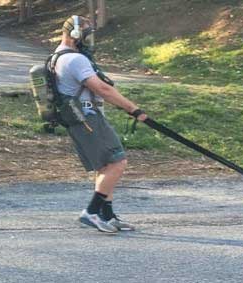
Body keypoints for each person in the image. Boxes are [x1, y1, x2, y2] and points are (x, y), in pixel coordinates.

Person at [54, 15, 147, 233]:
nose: (89, 41)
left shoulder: (59, 57)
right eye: (87, 36)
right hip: (87, 117)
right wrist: (135, 110)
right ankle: (92, 211)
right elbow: (102, 89)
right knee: (117, 161)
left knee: (105, 166)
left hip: (78, 118)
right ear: (75, 35)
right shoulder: (75, 60)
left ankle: (107, 215)